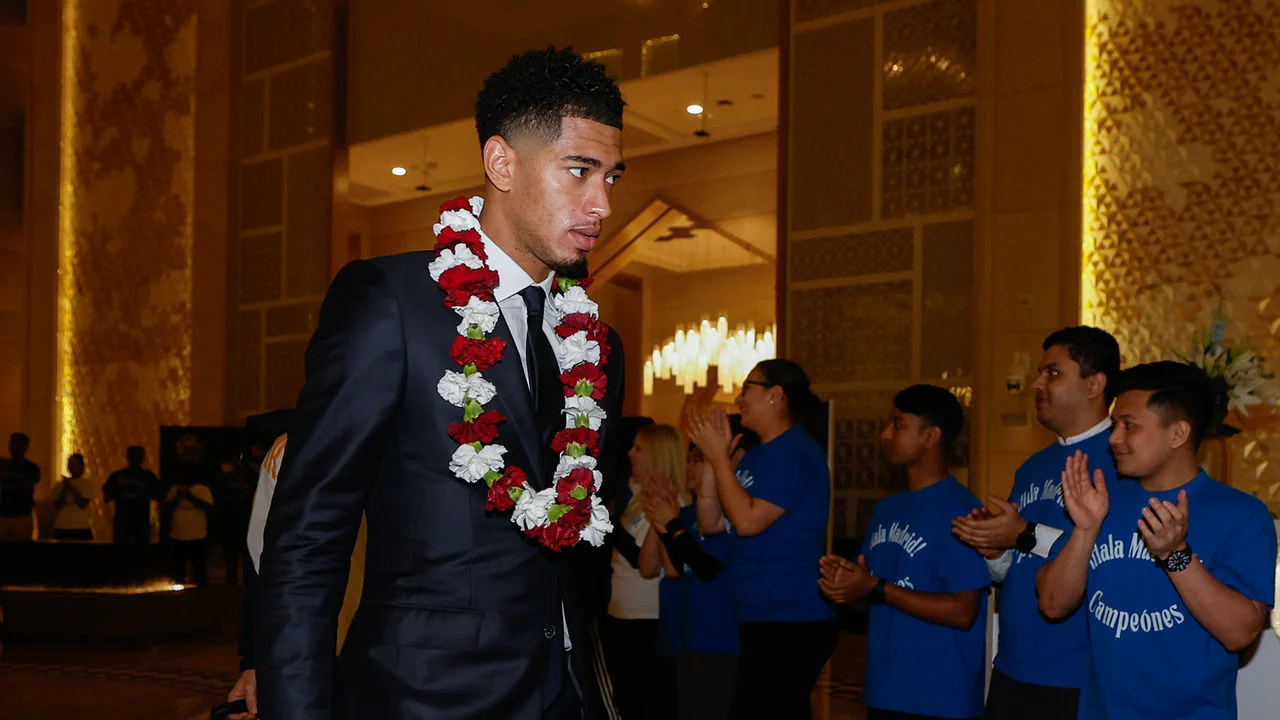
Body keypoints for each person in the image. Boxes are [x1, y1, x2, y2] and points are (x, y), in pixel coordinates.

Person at [255, 47, 628, 720]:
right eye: (579, 171)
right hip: (420, 700)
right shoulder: (390, 304)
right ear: (501, 163)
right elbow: (307, 543)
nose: (601, 203)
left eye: (611, 176)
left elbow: (579, 540)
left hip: (566, 696)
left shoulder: (598, 347)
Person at [1038, 362, 1276, 719]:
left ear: (1178, 433)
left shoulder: (1241, 515)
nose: (1114, 438)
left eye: (1129, 426)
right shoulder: (1102, 500)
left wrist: (1175, 554)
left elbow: (1240, 633)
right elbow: (1053, 604)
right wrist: (1086, 530)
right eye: (1115, 425)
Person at [950, 326, 1120, 719]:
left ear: (1095, 384)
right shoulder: (1032, 467)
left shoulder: (1120, 460)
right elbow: (1017, 565)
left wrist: (1023, 534)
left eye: (1053, 374)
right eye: (1040, 373)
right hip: (1014, 667)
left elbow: (1107, 554)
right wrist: (994, 549)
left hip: (1078, 676)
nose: (1036, 384)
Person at [820, 385, 989, 720]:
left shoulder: (962, 511)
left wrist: (875, 587)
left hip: (939, 697)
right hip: (885, 689)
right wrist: (846, 585)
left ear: (931, 437)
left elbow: (962, 611)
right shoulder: (887, 509)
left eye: (898, 424)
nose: (885, 434)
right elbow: (870, 589)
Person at [687, 359, 836, 720]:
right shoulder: (757, 456)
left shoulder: (795, 452)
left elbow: (749, 521)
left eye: (747, 388)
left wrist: (722, 460)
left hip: (793, 619)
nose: (738, 399)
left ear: (776, 396)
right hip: (762, 616)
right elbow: (710, 522)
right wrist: (712, 461)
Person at [641, 441, 745, 720]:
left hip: (722, 641)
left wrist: (672, 525)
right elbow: (676, 568)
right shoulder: (688, 515)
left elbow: (706, 568)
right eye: (689, 459)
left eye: (698, 459)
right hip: (688, 637)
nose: (690, 467)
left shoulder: (729, 516)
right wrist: (664, 522)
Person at [604, 424, 681, 719]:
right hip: (625, 612)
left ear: (657, 456)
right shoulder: (639, 496)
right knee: (627, 699)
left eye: (639, 449)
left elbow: (644, 563)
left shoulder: (668, 503)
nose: (630, 454)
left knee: (641, 703)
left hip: (645, 615)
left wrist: (609, 524)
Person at [165, 466, 215, 585]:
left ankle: (200, 585)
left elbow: (209, 508)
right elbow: (167, 508)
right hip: (178, 532)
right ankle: (179, 581)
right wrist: (178, 497)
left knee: (199, 563)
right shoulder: (175, 489)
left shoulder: (203, 489)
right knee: (179, 562)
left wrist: (190, 497)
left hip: (197, 533)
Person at [102, 446, 160, 544]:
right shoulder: (118, 475)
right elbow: (107, 497)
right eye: (134, 456)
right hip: (124, 523)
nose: (136, 459)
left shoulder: (148, 476)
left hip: (140, 523)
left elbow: (159, 496)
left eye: (138, 456)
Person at [0, 433, 40, 541]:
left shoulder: (31, 467)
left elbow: (28, 482)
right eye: (12, 444)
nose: (13, 447)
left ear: (25, 447)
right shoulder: (4, 465)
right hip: (5, 514)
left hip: (23, 514)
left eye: (18, 444)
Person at [52, 453, 97, 541]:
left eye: (75, 463)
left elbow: (82, 504)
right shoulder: (59, 485)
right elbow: (57, 505)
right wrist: (64, 489)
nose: (72, 466)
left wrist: (71, 488)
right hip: (62, 525)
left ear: (81, 466)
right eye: (70, 463)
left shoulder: (87, 484)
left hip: (81, 526)